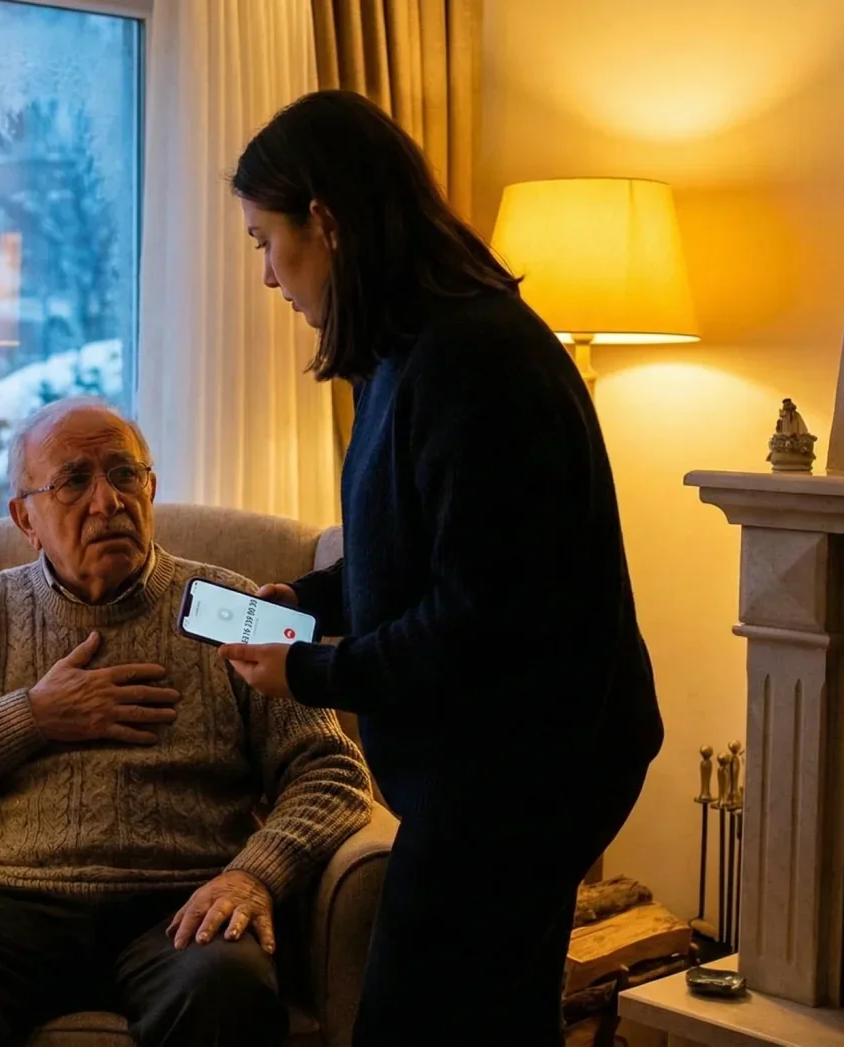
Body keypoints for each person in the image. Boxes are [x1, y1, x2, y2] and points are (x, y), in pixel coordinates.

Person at [219, 90, 665, 1045]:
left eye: (266, 240)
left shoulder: (476, 361)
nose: (265, 273)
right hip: (497, 760)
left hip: (530, 768)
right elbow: (418, 555)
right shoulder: (404, 353)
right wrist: (309, 598)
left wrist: (311, 670)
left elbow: (479, 615)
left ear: (327, 223)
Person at [0, 397, 373, 1047]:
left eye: (125, 474)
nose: (107, 501)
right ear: (24, 517)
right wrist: (33, 715)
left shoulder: (234, 609)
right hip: (6, 904)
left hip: (184, 901)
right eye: (73, 480)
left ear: (150, 488)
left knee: (228, 993)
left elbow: (333, 769)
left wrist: (255, 871)